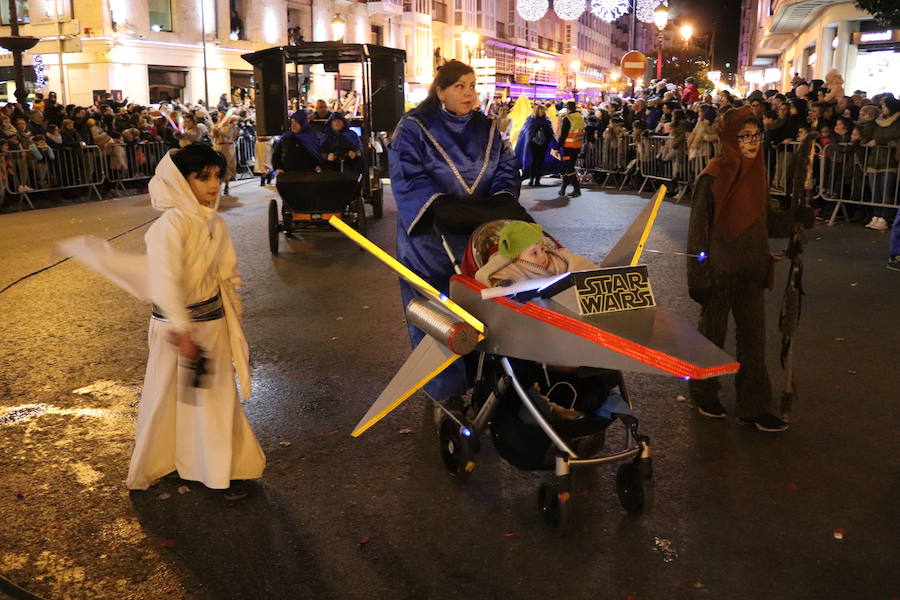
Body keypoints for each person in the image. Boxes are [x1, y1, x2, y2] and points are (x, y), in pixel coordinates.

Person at [58, 144, 265, 499]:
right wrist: (182, 331)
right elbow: (166, 281)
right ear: (179, 181)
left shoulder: (209, 219)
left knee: (204, 399)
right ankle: (212, 472)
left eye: (216, 176)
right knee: (179, 398)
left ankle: (201, 464)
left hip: (211, 325)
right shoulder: (170, 226)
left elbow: (222, 273)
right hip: (180, 329)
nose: (213, 184)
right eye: (203, 177)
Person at [388, 59, 521, 408]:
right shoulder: (414, 127)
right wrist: (439, 206)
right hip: (430, 238)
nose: (469, 93)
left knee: (488, 309)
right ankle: (445, 392)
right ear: (441, 91)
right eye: (460, 86)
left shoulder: (487, 127)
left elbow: (506, 167)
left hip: (479, 235)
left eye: (472, 86)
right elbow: (407, 173)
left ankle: (488, 378)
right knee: (438, 314)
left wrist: (503, 199)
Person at [686, 105, 798, 433]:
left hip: (752, 271)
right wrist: (698, 276)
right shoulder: (713, 175)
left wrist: (795, 219)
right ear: (729, 140)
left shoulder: (757, 175)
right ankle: (704, 390)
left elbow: (765, 221)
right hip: (719, 273)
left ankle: (754, 405)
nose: (751, 142)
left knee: (753, 340)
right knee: (712, 336)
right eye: (744, 136)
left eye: (756, 135)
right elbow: (696, 231)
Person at [474, 221, 595, 287]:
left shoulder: (557, 259)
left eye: (542, 249)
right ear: (516, 256)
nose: (543, 257)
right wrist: (503, 285)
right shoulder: (510, 269)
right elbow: (491, 280)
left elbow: (579, 264)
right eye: (534, 253)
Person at [515, 103, 555, 186]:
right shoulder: (531, 120)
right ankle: (531, 179)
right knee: (533, 161)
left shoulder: (546, 120)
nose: (541, 111)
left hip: (543, 144)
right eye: (540, 110)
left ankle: (537, 180)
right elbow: (526, 131)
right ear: (537, 110)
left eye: (543, 110)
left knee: (540, 162)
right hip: (533, 144)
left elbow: (550, 132)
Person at [272, 110, 323, 175]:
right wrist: (277, 168)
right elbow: (276, 155)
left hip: (308, 177)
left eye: (296, 122)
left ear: (303, 123)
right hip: (287, 176)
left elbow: (317, 156)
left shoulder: (311, 138)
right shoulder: (286, 137)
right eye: (292, 122)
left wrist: (318, 166)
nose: (293, 125)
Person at [555, 100, 584, 198]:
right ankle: (563, 189)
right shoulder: (580, 118)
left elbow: (563, 135)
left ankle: (577, 189)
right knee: (568, 167)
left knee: (568, 168)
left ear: (567, 108)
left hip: (568, 147)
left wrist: (557, 148)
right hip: (577, 147)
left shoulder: (568, 119)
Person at [212, 113, 239, 195]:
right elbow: (213, 136)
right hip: (218, 147)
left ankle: (227, 185)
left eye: (222, 117)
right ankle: (219, 185)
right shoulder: (217, 126)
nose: (220, 118)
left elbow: (229, 135)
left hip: (227, 147)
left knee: (227, 166)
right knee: (219, 166)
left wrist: (219, 131)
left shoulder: (231, 127)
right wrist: (214, 132)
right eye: (219, 117)